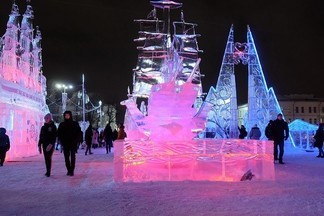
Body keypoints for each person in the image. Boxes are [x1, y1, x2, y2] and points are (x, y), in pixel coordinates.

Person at [57, 111, 82, 176]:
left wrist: (77, 140)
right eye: (66, 115)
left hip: (73, 143)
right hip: (65, 143)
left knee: (73, 156)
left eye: (68, 115)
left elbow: (79, 132)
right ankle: (68, 170)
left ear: (70, 116)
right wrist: (61, 140)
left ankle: (72, 170)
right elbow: (59, 133)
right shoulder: (62, 124)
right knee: (66, 157)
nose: (67, 116)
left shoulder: (74, 124)